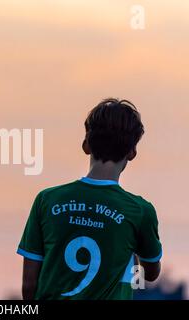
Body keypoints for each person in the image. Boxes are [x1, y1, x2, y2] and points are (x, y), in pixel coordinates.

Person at [17, 98, 162, 299]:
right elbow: (151, 273)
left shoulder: (47, 200)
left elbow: (29, 284)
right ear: (132, 152)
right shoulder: (140, 211)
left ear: (86, 145)